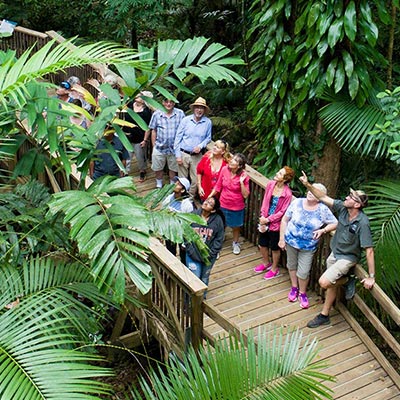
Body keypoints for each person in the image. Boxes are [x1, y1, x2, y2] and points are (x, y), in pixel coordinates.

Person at [299, 171, 375, 328]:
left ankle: (349, 280)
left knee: (324, 282)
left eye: (351, 197)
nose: (346, 197)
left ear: (357, 205)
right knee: (332, 284)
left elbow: (369, 250)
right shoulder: (342, 208)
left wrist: (371, 277)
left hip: (347, 258)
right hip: (335, 253)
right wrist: (308, 185)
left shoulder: (363, 223)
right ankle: (324, 314)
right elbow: (322, 197)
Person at [278, 183, 338, 309]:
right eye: (310, 190)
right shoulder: (297, 202)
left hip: (308, 246)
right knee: (291, 265)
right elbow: (285, 220)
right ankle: (294, 288)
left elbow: (335, 222)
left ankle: (302, 293)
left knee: (304, 271)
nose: (310, 192)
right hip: (291, 241)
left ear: (320, 196)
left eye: (314, 191)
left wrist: (323, 230)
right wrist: (282, 238)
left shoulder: (322, 209)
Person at [254, 166, 295, 279]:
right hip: (264, 219)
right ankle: (266, 263)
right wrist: (263, 217)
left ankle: (274, 268)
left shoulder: (287, 193)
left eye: (280, 173)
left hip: (276, 224)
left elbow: (283, 212)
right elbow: (265, 202)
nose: (277, 173)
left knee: (275, 247)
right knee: (262, 243)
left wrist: (269, 220)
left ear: (285, 179)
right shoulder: (271, 184)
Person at [209, 153, 250, 255]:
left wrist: (241, 182)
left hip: (236, 206)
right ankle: (217, 245)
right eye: (232, 159)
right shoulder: (224, 170)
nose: (231, 161)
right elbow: (218, 185)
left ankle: (235, 243)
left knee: (236, 226)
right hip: (223, 203)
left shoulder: (244, 176)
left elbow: (245, 195)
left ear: (239, 166)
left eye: (235, 161)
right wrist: (210, 196)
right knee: (220, 225)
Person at [185, 196, 225, 297]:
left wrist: (211, 253)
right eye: (207, 201)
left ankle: (202, 299)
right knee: (194, 278)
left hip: (209, 256)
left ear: (213, 210)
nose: (206, 203)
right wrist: (191, 251)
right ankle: (190, 301)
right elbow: (186, 234)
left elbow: (219, 239)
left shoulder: (218, 220)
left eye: (210, 204)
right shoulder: (193, 215)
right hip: (192, 254)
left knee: (204, 278)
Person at [174, 97, 212, 196]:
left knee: (195, 179)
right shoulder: (185, 120)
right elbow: (178, 138)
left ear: (204, 110)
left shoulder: (207, 122)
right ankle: (180, 197)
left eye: (201, 108)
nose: (199, 110)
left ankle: (190, 198)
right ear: (193, 108)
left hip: (197, 156)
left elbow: (208, 138)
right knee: (182, 179)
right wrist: (177, 155)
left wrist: (200, 145)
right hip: (183, 153)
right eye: (197, 107)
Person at [149, 97, 185, 188]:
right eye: (166, 101)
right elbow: (154, 130)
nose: (168, 104)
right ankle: (159, 185)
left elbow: (184, 130)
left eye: (171, 102)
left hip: (174, 148)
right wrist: (154, 146)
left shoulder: (180, 114)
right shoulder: (157, 114)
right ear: (163, 102)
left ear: (174, 103)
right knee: (158, 168)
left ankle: (171, 186)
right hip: (159, 147)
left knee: (173, 168)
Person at [162, 177, 194, 262]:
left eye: (179, 184)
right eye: (176, 182)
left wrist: (184, 242)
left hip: (181, 233)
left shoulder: (187, 205)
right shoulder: (169, 198)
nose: (175, 184)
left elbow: (189, 224)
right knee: (170, 253)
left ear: (183, 190)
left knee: (183, 255)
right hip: (169, 231)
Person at [124, 91, 153, 182]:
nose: (137, 97)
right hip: (127, 136)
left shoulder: (146, 112)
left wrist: (145, 140)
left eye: (141, 96)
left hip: (139, 138)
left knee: (140, 156)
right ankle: (125, 172)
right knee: (127, 155)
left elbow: (147, 127)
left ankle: (142, 171)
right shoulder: (130, 105)